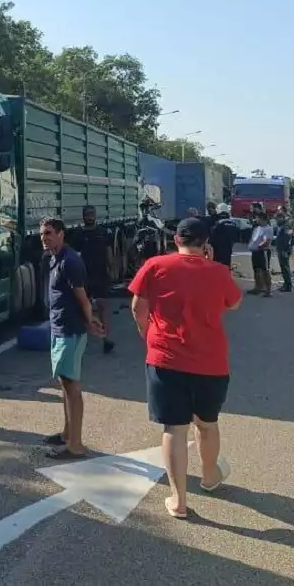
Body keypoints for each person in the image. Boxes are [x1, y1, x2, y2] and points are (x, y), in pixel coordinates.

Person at [128, 217, 242, 519]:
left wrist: (149, 338)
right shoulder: (219, 272)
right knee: (206, 423)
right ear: (206, 244)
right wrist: (213, 266)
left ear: (175, 240)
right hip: (211, 362)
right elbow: (233, 304)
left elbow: (138, 308)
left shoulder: (155, 266)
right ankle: (209, 476)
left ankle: (178, 501)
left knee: (174, 429)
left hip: (165, 359)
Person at [39, 217, 105, 460]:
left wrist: (91, 321)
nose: (44, 238)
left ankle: (75, 445)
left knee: (72, 387)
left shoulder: (70, 261)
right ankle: (68, 433)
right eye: (42, 234)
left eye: (49, 233)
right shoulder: (54, 258)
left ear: (61, 234)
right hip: (59, 329)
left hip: (70, 330)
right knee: (64, 384)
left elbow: (82, 297)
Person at [70, 205, 115, 354]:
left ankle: (105, 339)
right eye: (87, 214)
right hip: (85, 276)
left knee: (103, 307)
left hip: (100, 274)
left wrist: (111, 268)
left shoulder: (103, 233)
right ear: (83, 217)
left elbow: (109, 252)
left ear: (95, 216)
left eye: (91, 214)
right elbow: (75, 256)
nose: (89, 217)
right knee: (84, 308)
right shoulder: (78, 235)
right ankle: (81, 340)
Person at [247, 213, 273, 296]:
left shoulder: (268, 229)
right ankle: (258, 287)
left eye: (257, 218)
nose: (256, 220)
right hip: (255, 252)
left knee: (265, 270)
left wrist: (258, 246)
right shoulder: (257, 228)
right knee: (256, 270)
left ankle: (268, 290)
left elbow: (266, 241)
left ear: (262, 219)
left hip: (263, 252)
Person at [209, 203, 239, 269]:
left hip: (217, 251)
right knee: (226, 267)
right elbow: (236, 237)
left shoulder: (217, 222)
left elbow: (212, 237)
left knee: (217, 268)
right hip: (228, 249)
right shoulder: (233, 223)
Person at [273, 208, 294, 293]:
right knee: (283, 267)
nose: (276, 221)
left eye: (277, 219)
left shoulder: (285, 226)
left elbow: (288, 237)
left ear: (281, 218)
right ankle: (286, 284)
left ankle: (288, 285)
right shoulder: (280, 226)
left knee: (285, 268)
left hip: (284, 250)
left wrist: (285, 250)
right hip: (281, 249)